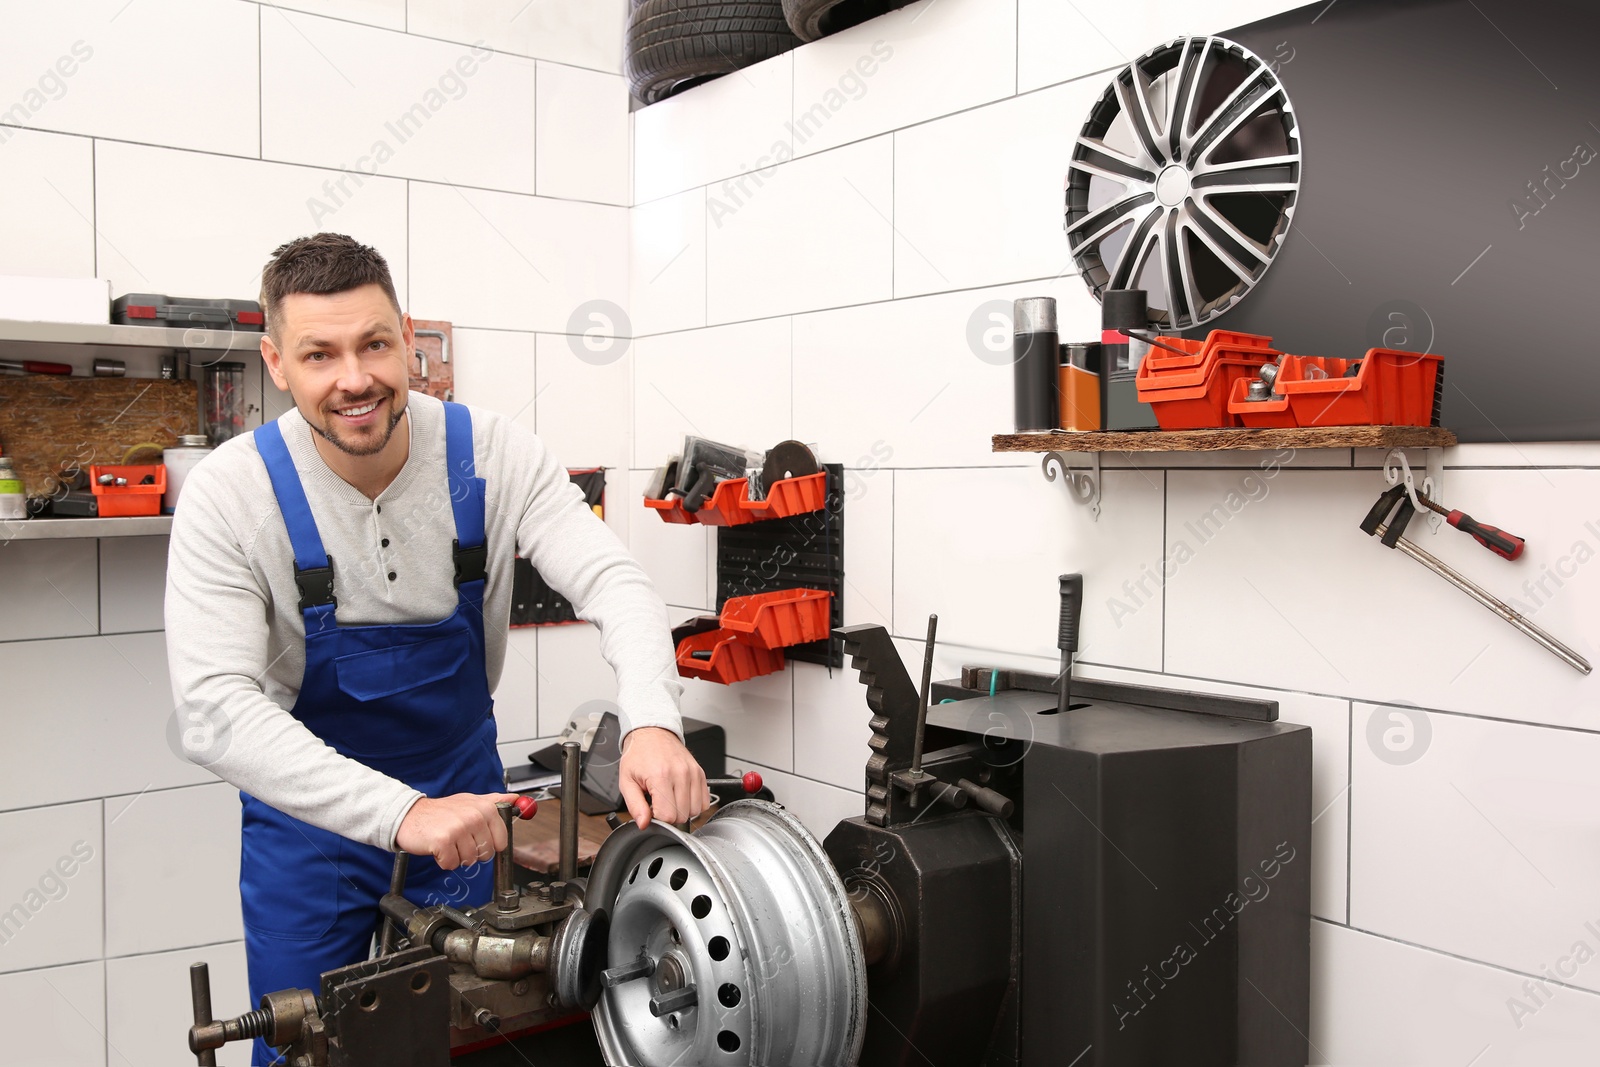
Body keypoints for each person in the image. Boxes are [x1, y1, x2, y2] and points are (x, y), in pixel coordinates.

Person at [164, 233, 704, 1064]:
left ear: (406, 336)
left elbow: (615, 582)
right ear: (276, 362)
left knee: (478, 1034)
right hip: (308, 831)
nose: (355, 378)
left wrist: (653, 719)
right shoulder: (231, 495)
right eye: (320, 353)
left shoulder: (492, 453)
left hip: (467, 808)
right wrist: (400, 813)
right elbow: (214, 710)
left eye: (375, 343)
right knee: (310, 1044)